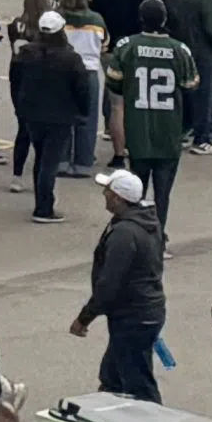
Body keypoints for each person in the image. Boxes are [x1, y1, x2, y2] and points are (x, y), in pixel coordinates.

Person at [69, 171, 164, 403]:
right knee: (112, 375)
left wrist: (84, 318)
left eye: (108, 191)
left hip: (133, 317)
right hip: (142, 313)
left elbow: (108, 285)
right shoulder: (143, 221)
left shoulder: (124, 233)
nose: (104, 194)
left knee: (137, 383)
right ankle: (112, 418)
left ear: (119, 199)